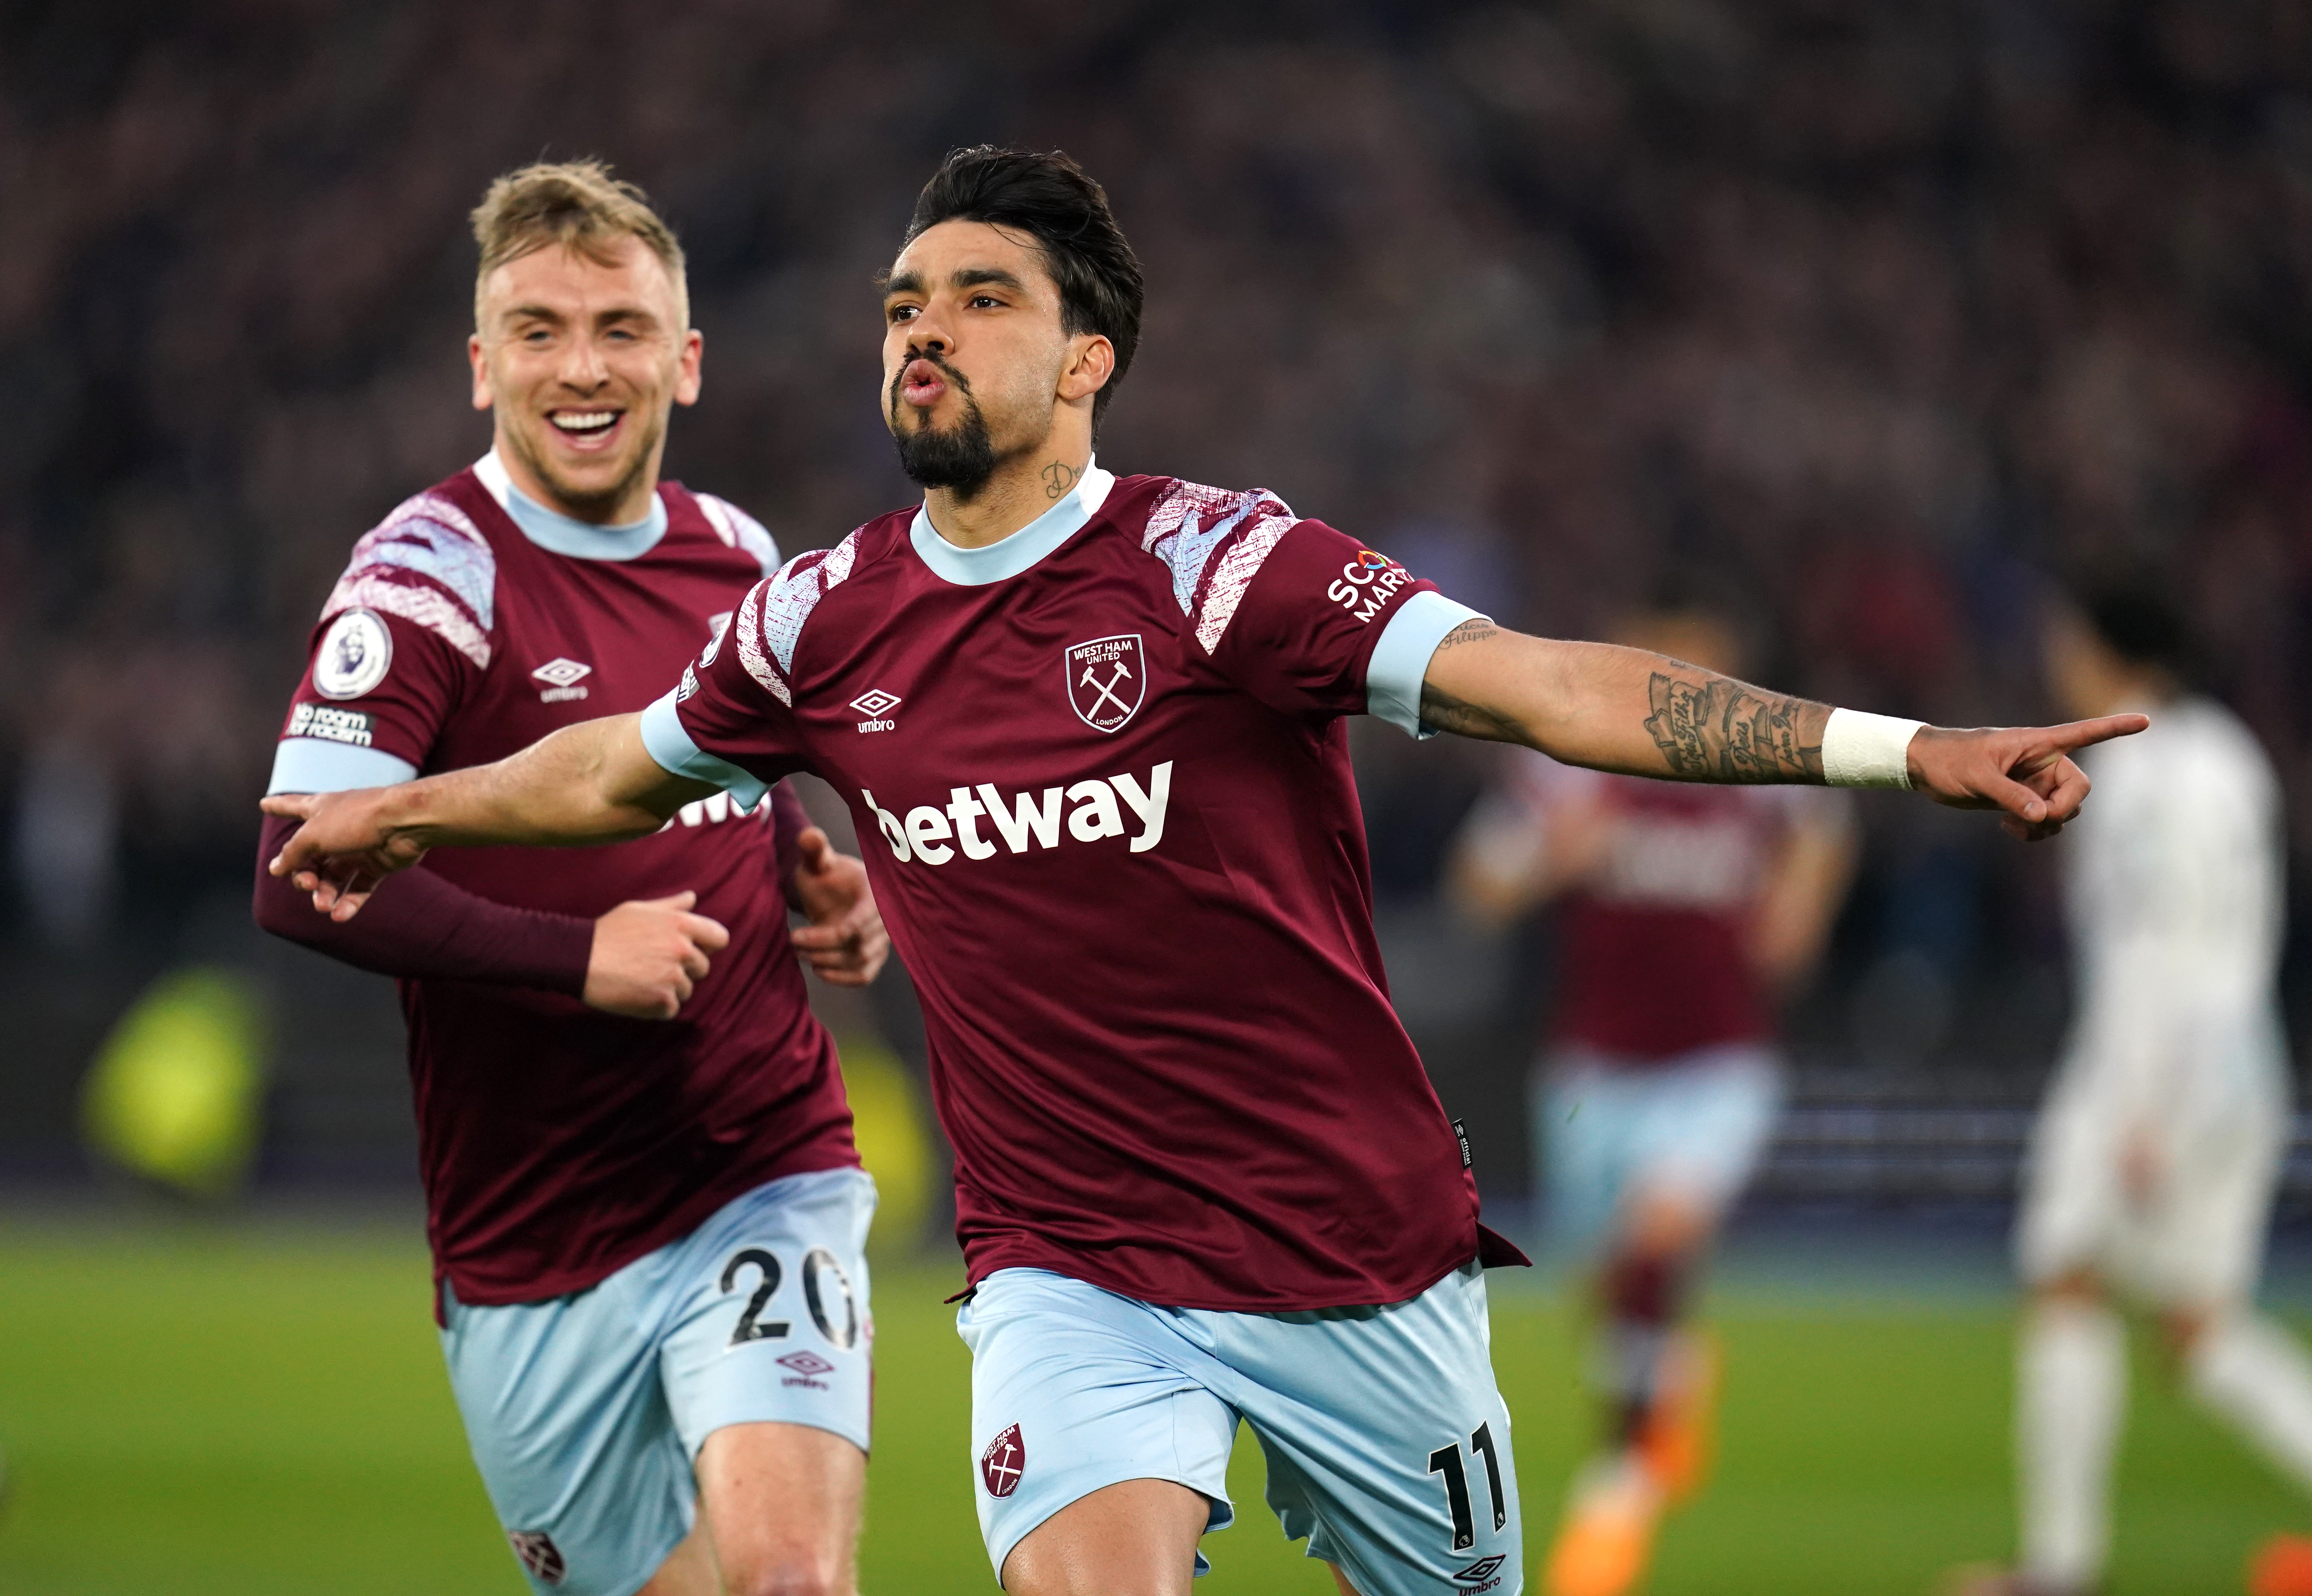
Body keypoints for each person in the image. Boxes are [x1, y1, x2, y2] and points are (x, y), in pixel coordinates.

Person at [261, 146, 2143, 1596]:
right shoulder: (821, 613)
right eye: (904, 298)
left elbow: (1555, 687)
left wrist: (1903, 752)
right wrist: (408, 810)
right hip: (1064, 1268)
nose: (921, 327)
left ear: (1085, 357)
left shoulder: (1217, 569)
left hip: (1347, 1252)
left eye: (980, 298)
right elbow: (618, 762)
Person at [250, 161, 890, 1596]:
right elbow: (298, 874)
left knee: (791, 1578)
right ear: (483, 368)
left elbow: (749, 787)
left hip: (756, 1166)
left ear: (687, 357)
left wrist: (817, 878)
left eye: (619, 324)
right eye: (538, 329)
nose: (582, 366)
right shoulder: (423, 574)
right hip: (528, 1237)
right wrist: (575, 954)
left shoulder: (742, 558)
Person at [1450, 598, 1856, 1596]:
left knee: (1657, 1237)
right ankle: (1668, 1378)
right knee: (1607, 1291)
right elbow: (1478, 886)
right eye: (1669, 655)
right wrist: (1552, 856)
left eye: (1703, 658)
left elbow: (1829, 822)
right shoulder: (1571, 761)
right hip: (1594, 1068)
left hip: (1719, 1063)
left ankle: (1618, 1484)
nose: (1687, 677)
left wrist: (1799, 905)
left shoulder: (1758, 764)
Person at [1952, 588, 2312, 1596]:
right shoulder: (2227, 754)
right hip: (2234, 1059)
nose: (2052, 653)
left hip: (2153, 1066)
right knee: (2200, 1333)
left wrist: (2152, 1106)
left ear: (2109, 651)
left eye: (2065, 637)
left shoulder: (2147, 775)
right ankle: (2057, 1567)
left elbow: (2175, 950)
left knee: (2065, 1280)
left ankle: (2057, 1570)